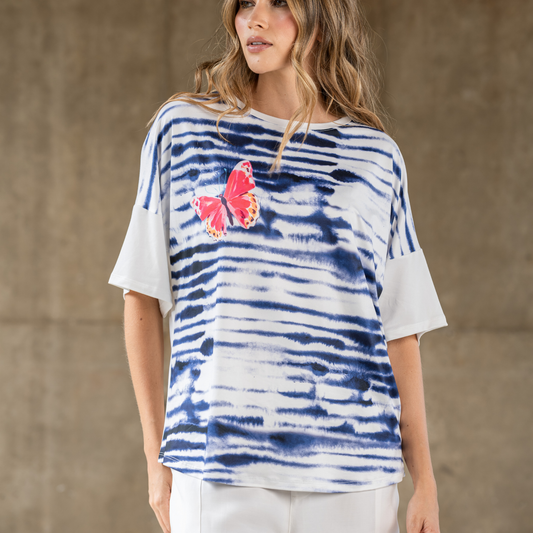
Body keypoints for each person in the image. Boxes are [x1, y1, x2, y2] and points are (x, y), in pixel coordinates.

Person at [109, 0, 448, 532]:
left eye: (281, 3)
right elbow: (141, 294)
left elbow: (399, 331)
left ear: (322, 18)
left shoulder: (376, 158)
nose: (256, 18)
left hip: (356, 471)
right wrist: (157, 457)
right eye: (246, 3)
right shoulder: (185, 131)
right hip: (215, 462)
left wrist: (424, 481)